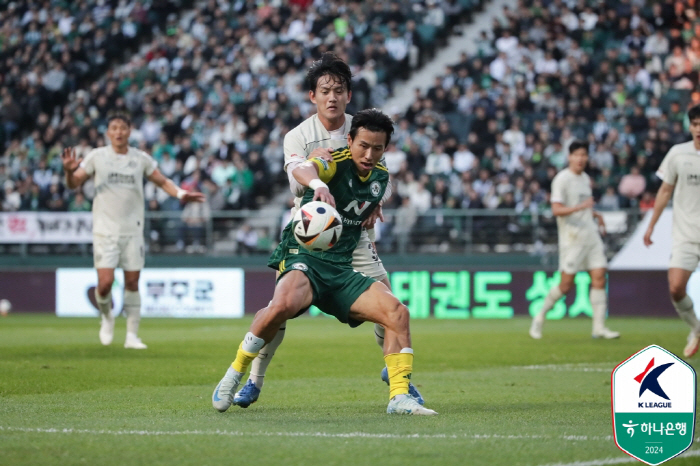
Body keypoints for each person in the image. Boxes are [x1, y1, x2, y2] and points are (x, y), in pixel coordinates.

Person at [212, 109, 436, 415]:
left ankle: (399, 397)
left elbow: (368, 204)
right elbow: (302, 171)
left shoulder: (380, 179)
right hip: (304, 256)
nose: (369, 154)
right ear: (350, 139)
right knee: (281, 308)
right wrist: (318, 184)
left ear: (386, 149)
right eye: (363, 145)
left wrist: (374, 208)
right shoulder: (333, 160)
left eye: (378, 148)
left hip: (341, 266)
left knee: (398, 312)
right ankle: (236, 372)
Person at [61, 113, 205, 349]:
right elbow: (74, 182)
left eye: (123, 128)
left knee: (132, 282)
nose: (118, 132)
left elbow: (162, 181)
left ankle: (131, 336)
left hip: (133, 230)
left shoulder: (140, 159)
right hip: (105, 231)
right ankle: (107, 317)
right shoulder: (97, 157)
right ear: (108, 132)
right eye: (114, 128)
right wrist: (68, 171)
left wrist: (180, 194)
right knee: (105, 284)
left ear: (130, 131)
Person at [529, 141, 620, 340]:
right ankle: (539, 316)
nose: (581, 159)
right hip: (572, 238)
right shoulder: (562, 179)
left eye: (584, 155)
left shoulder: (585, 178)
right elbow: (556, 209)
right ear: (569, 157)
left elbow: (583, 205)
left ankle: (599, 327)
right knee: (566, 285)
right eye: (577, 155)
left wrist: (595, 214)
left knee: (599, 277)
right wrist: (581, 207)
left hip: (591, 235)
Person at [643, 104, 700, 358]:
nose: (699, 129)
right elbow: (665, 191)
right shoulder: (678, 154)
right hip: (686, 235)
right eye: (696, 124)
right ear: (690, 126)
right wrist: (652, 224)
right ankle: (696, 329)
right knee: (676, 288)